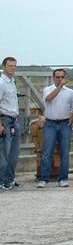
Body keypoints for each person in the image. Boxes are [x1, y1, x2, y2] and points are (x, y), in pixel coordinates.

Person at [37, 68, 73, 188]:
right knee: (47, 152)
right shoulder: (47, 89)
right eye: (57, 77)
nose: (60, 79)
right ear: (53, 78)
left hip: (65, 124)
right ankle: (44, 178)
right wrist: (59, 87)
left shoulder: (71, 92)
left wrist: (71, 121)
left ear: (65, 78)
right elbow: (49, 98)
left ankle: (63, 178)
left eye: (62, 77)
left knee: (65, 152)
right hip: (50, 124)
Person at [0, 56, 19, 190]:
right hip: (5, 119)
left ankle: (10, 179)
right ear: (4, 67)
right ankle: (2, 180)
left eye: (14, 66)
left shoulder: (12, 81)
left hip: (14, 119)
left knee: (13, 152)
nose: (12, 68)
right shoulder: (1, 82)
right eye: (10, 66)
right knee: (4, 153)